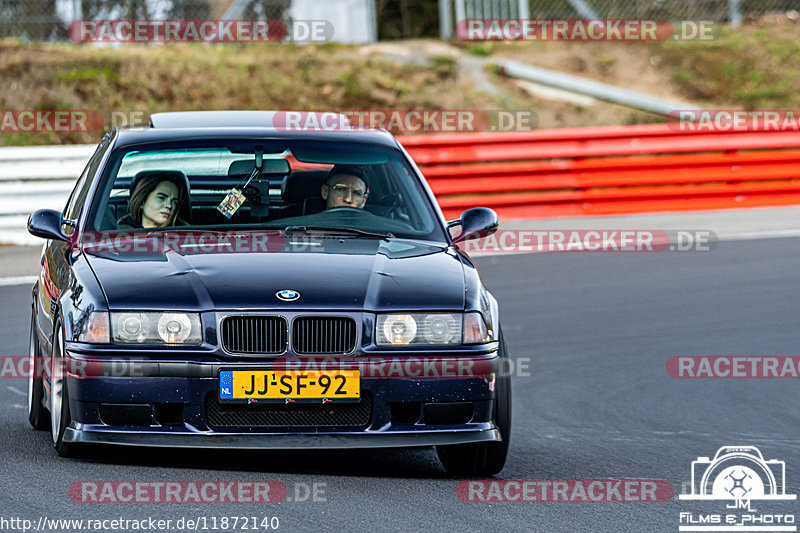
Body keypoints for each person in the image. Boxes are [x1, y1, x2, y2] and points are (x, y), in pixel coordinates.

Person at [117, 171, 189, 229]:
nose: (169, 206)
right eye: (161, 198)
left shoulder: (186, 235)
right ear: (142, 201)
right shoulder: (120, 235)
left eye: (174, 202)